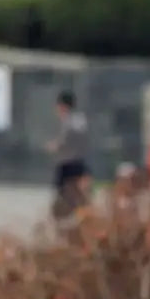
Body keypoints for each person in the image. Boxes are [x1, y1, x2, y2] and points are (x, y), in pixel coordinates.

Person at [46, 90, 91, 218]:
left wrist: (54, 146)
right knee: (79, 196)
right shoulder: (80, 119)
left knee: (65, 197)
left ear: (63, 106)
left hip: (69, 164)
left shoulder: (69, 120)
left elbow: (65, 139)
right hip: (79, 163)